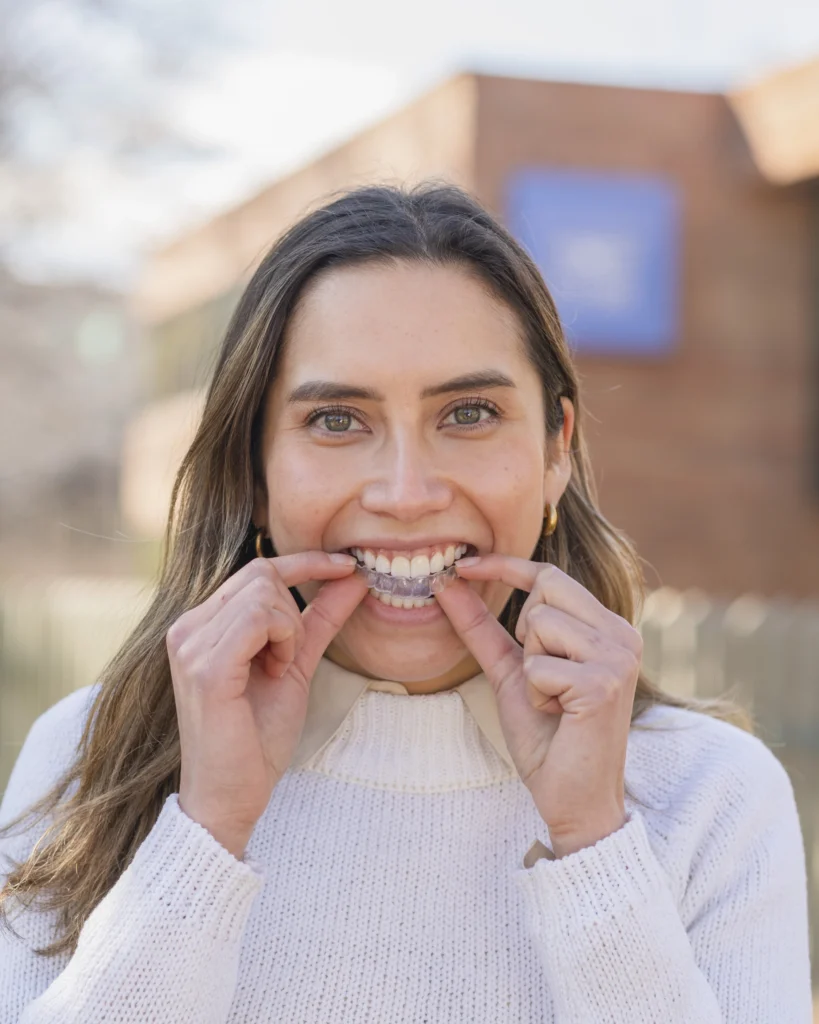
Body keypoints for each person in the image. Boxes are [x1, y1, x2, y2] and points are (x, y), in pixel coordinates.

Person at [0, 181, 812, 1023]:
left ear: (555, 450)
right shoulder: (84, 764)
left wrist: (595, 846)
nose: (405, 493)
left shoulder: (707, 794)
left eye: (468, 412)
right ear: (252, 471)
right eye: (337, 421)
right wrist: (205, 832)